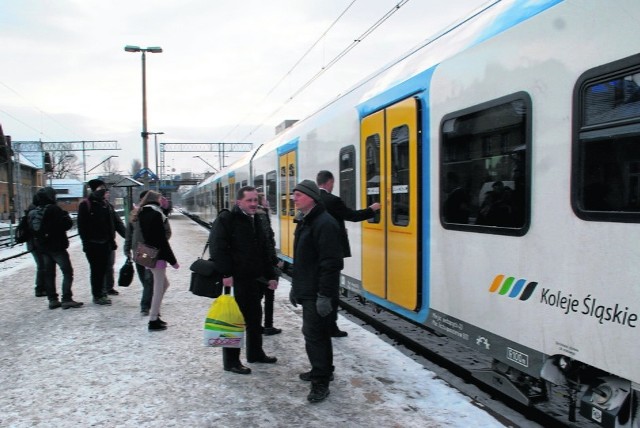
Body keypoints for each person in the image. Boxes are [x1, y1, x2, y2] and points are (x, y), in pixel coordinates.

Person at [209, 186, 279, 375]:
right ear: (238, 202)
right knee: (234, 321)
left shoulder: (255, 219)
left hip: (254, 279)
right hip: (236, 280)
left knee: (255, 318)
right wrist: (226, 274)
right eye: (249, 200)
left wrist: (271, 275)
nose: (254, 204)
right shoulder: (227, 219)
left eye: (255, 200)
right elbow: (217, 248)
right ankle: (231, 362)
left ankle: (255, 353)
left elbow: (263, 249)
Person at [289, 179, 343, 403]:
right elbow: (303, 260)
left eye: (298, 195)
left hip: (317, 291)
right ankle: (324, 370)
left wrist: (324, 295)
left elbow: (331, 263)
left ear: (311, 196)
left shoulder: (324, 223)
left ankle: (320, 382)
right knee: (317, 334)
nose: (294, 198)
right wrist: (295, 287)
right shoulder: (307, 221)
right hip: (308, 287)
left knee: (314, 336)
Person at [316, 170, 380, 337]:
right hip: (332, 253)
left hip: (317, 252)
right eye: (333, 183)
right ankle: (331, 327)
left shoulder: (313, 199)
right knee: (331, 291)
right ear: (329, 182)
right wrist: (371, 210)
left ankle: (322, 323)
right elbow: (352, 215)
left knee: (322, 290)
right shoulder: (333, 200)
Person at [30, 187, 83, 310]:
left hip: (43, 248)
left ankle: (52, 300)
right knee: (67, 272)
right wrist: (65, 216)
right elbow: (66, 225)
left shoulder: (36, 211)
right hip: (57, 247)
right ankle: (66, 299)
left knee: (49, 274)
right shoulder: (54, 209)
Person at [134, 191, 179, 331]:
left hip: (147, 252)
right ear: (155, 199)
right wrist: (173, 261)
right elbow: (161, 240)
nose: (162, 200)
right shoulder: (156, 214)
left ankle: (155, 314)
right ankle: (153, 320)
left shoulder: (144, 212)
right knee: (159, 288)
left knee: (164, 284)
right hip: (156, 254)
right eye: (160, 198)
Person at [77, 179, 125, 305]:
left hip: (106, 244)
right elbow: (82, 227)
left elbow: (116, 224)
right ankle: (98, 295)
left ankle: (103, 292)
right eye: (100, 188)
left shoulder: (107, 205)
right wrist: (86, 244)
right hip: (93, 244)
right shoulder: (85, 205)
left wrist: (128, 237)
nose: (104, 191)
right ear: (94, 190)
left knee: (104, 269)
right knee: (96, 270)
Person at [123, 190, 156, 315]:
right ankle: (149, 298)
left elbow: (166, 232)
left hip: (148, 249)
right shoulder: (134, 215)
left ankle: (145, 305)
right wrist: (127, 249)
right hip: (138, 250)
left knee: (148, 279)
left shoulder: (155, 213)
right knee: (145, 279)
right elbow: (128, 234)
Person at [256, 193, 282, 336]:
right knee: (269, 294)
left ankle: (259, 325)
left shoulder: (257, 215)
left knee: (261, 295)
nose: (268, 201)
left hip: (260, 263)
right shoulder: (262, 215)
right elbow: (267, 241)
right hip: (266, 264)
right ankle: (267, 326)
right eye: (265, 199)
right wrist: (274, 261)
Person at [102, 187, 126, 297]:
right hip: (97, 243)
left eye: (107, 192)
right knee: (100, 267)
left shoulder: (109, 207)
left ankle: (109, 287)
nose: (107, 194)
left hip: (109, 242)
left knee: (109, 265)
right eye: (106, 193)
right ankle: (101, 290)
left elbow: (118, 224)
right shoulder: (89, 205)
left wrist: (128, 236)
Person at [25, 195, 46, 297]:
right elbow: (36, 229)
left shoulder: (31, 210)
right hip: (35, 244)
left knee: (42, 265)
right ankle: (39, 289)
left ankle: (42, 287)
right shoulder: (35, 212)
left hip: (33, 243)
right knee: (41, 266)